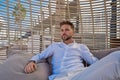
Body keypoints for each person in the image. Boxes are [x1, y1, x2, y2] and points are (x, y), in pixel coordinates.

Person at [24, 21, 99, 80]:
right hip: (60, 77)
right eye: (62, 30)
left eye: (67, 30)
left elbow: (93, 61)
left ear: (73, 32)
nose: (64, 32)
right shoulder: (54, 46)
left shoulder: (81, 47)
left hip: (80, 75)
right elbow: (40, 55)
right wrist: (32, 61)